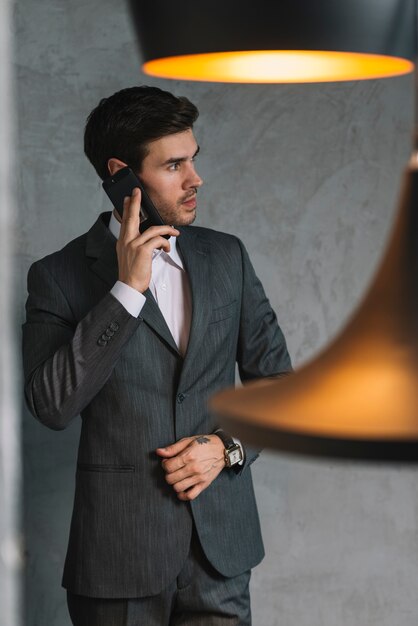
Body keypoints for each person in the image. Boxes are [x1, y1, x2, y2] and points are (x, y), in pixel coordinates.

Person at [22, 86, 292, 626]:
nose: (196, 179)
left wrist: (226, 447)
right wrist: (125, 292)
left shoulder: (227, 257)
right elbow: (51, 405)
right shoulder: (58, 276)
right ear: (123, 175)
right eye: (174, 165)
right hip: (118, 556)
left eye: (194, 159)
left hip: (220, 557)